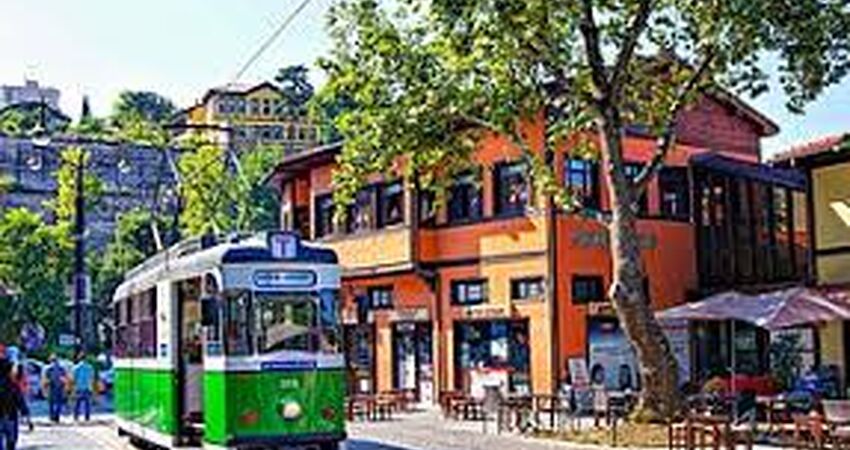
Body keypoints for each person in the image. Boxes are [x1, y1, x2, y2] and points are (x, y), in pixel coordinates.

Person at [0, 358, 29, 450]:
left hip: (7, 416)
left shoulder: (12, 384)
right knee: (11, 441)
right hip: (10, 416)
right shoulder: (12, 385)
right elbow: (19, 400)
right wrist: (25, 414)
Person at [42, 355, 66, 423]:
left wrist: (45, 388)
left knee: (51, 403)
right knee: (59, 402)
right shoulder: (61, 368)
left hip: (51, 386)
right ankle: (57, 417)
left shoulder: (48, 368)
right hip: (60, 387)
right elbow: (64, 379)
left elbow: (46, 379)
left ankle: (51, 416)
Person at [71, 353, 94, 422]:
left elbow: (73, 378)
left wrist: (72, 388)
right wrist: (91, 387)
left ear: (79, 359)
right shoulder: (90, 367)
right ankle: (87, 417)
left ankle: (76, 417)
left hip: (78, 387)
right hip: (87, 387)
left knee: (77, 404)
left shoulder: (75, 368)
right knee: (87, 404)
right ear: (86, 359)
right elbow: (91, 378)